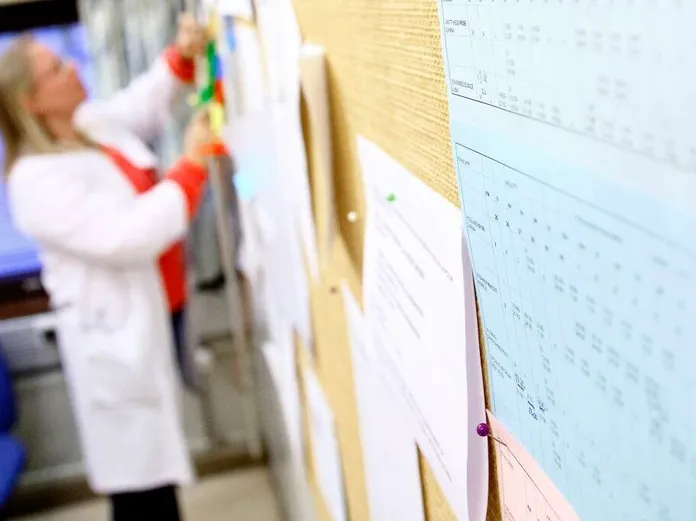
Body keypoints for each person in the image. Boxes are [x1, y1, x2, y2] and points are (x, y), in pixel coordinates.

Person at [0, 14, 214, 521]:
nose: (73, 68)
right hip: (116, 338)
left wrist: (180, 56)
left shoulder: (87, 126)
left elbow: (140, 105)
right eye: (56, 69)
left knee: (155, 477)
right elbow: (125, 236)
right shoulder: (35, 180)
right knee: (141, 490)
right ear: (31, 101)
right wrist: (190, 167)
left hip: (156, 312)